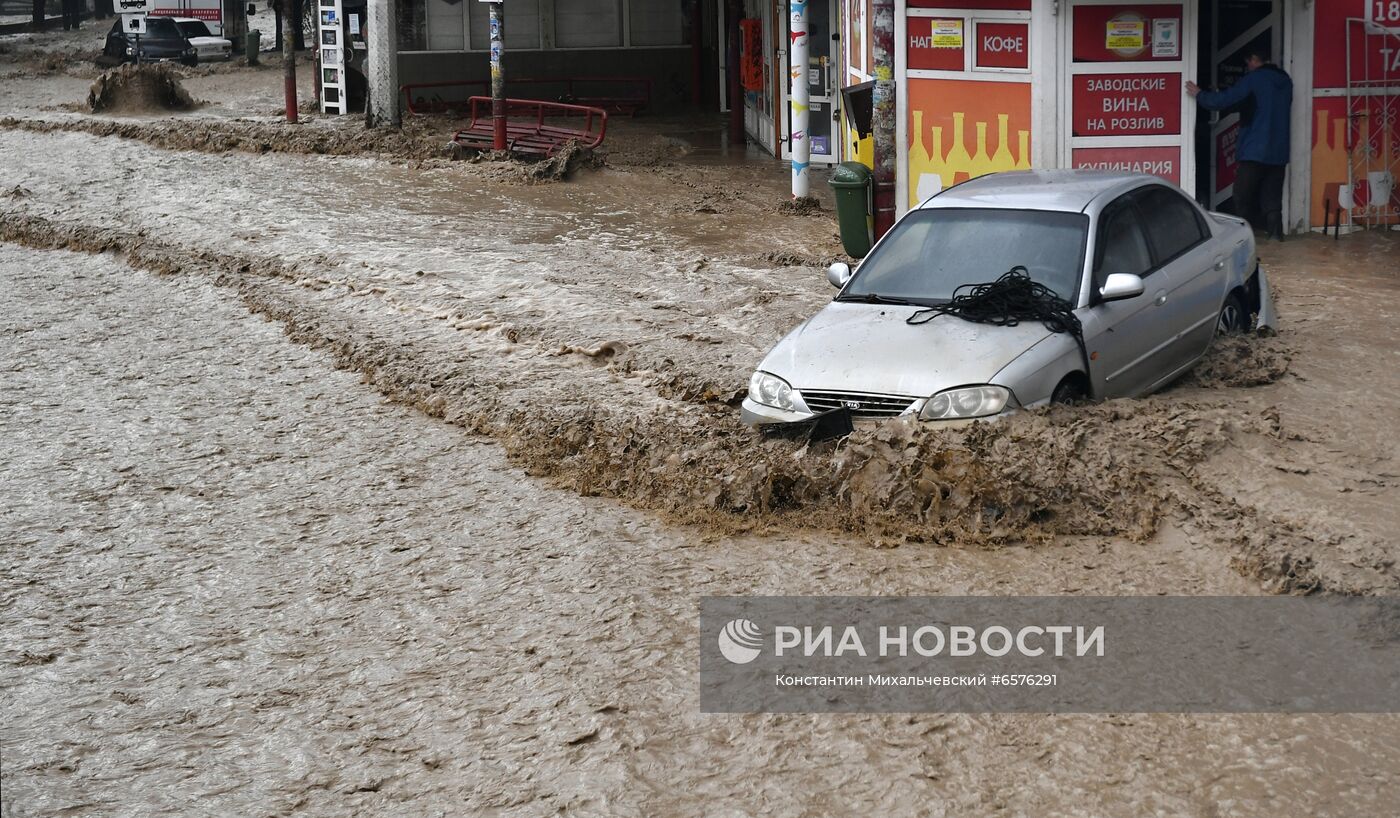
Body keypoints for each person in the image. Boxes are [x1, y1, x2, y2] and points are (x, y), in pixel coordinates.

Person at [1187, 48, 1293, 241]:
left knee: (1242, 196)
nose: (1248, 66)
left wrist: (1200, 94)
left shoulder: (1254, 79)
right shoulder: (1285, 81)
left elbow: (1226, 100)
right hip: (1279, 151)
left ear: (1254, 59)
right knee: (1272, 198)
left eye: (1248, 62)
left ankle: (1242, 239)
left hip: (1254, 149)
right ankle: (1276, 237)